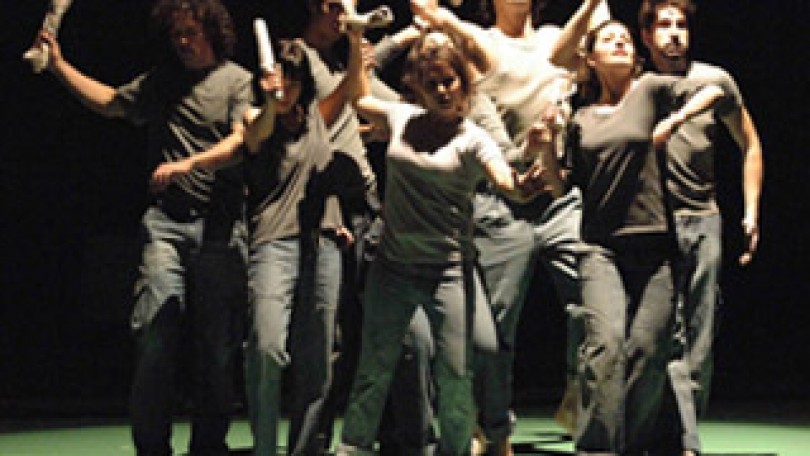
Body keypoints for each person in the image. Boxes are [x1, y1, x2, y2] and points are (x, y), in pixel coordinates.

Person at [36, 1, 252, 455]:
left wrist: (189, 164)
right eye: (176, 35)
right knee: (153, 331)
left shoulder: (238, 81)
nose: (183, 42)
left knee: (217, 345)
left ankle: (209, 445)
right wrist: (58, 66)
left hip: (220, 228)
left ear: (212, 32)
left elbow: (240, 143)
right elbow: (112, 103)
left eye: (191, 33)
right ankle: (152, 447)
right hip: (165, 225)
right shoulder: (163, 81)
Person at [336, 29, 555, 456]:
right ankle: (353, 448)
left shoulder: (474, 138)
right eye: (432, 83)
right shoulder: (401, 118)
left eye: (449, 82)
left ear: (463, 85)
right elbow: (359, 98)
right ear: (418, 87)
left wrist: (525, 185)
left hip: (448, 272)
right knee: (373, 369)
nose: (441, 91)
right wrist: (357, 44)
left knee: (456, 374)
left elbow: (506, 182)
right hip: (393, 269)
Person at [409, 1, 609, 453]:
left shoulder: (555, 40)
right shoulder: (481, 42)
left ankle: (576, 393)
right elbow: (434, 16)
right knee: (496, 329)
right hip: (501, 201)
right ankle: (491, 425)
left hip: (559, 197)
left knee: (596, 303)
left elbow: (599, 28)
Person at [152, 38, 355, 456]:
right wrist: (270, 102)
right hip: (273, 244)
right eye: (280, 78)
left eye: (293, 80)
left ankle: (305, 449)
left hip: (323, 243)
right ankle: (264, 447)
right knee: (266, 347)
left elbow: (351, 86)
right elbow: (256, 133)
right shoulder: (255, 117)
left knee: (316, 357)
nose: (286, 88)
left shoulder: (318, 118)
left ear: (303, 83)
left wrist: (354, 38)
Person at [562, 19, 729, 455]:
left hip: (655, 246)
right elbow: (566, 185)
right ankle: (597, 449)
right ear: (591, 58)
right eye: (608, 39)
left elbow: (715, 92)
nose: (619, 42)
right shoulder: (579, 118)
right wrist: (543, 145)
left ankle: (633, 445)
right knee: (605, 345)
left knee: (649, 350)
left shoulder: (651, 89)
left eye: (624, 38)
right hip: (601, 248)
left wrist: (674, 120)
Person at [637, 1, 763, 454]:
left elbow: (750, 144)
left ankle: (679, 436)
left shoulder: (714, 81)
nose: (674, 34)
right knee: (664, 338)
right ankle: (682, 443)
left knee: (700, 338)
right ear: (646, 35)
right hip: (652, 226)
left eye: (682, 25)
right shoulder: (634, 85)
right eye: (664, 25)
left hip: (703, 220)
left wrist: (751, 210)